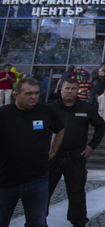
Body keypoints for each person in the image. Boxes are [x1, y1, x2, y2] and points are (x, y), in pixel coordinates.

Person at [0, 78, 65, 227]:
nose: (34, 97)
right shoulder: (4, 113)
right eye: (29, 93)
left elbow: (60, 129)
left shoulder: (46, 111)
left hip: (37, 180)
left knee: (37, 223)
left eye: (36, 93)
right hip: (5, 182)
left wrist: (54, 150)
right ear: (16, 95)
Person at [48, 78, 105, 227]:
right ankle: (36, 220)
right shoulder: (50, 108)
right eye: (67, 88)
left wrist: (92, 145)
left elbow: (100, 126)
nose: (70, 91)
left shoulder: (86, 108)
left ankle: (78, 222)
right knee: (44, 192)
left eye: (73, 88)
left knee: (77, 193)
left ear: (78, 90)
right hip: (53, 157)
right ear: (61, 89)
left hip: (76, 157)